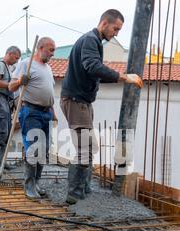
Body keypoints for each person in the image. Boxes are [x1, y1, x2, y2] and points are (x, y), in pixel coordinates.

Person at [60, 9, 143, 205]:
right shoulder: (90, 40)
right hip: (76, 101)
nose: (116, 33)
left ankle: (84, 188)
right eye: (116, 28)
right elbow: (93, 67)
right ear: (104, 23)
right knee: (85, 149)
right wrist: (123, 77)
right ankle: (74, 194)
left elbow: (93, 73)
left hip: (82, 101)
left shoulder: (93, 42)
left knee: (91, 146)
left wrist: (119, 78)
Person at [9, 37, 57, 200]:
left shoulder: (48, 68)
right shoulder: (25, 64)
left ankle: (36, 183)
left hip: (46, 112)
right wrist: (22, 80)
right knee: (33, 149)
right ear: (41, 47)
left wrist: (53, 111)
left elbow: (49, 91)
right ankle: (29, 186)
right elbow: (11, 86)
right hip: (31, 111)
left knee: (44, 150)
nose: (52, 53)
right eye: (50, 50)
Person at [0, 46, 22, 173]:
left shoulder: (9, 68)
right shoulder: (0, 65)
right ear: (10, 54)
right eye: (16, 58)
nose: (17, 61)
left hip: (5, 100)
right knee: (0, 131)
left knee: (6, 133)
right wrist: (10, 85)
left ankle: (1, 162)